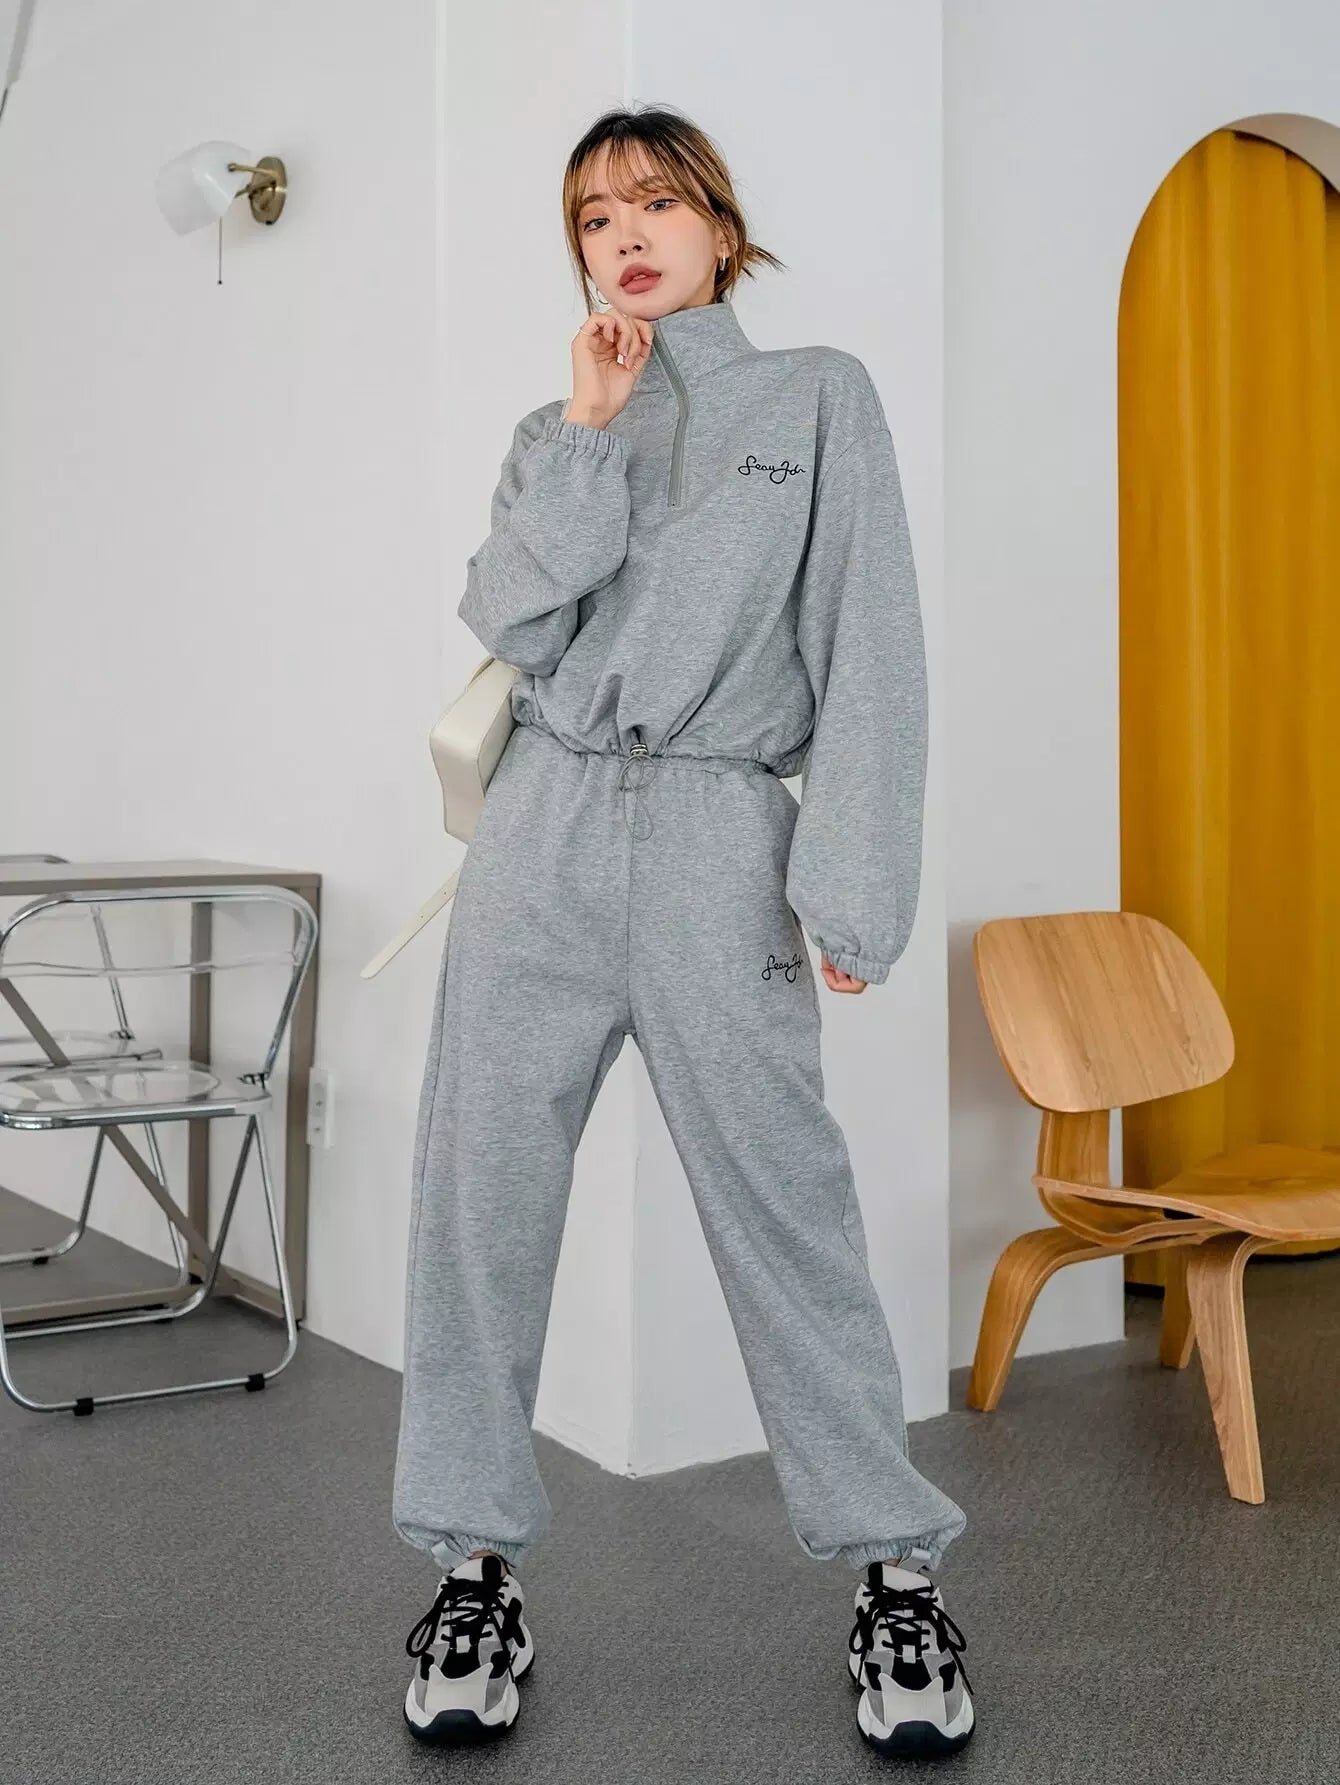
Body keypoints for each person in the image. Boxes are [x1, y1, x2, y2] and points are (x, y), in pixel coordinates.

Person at [392, 104, 974, 1760]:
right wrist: (589, 430)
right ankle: (473, 1569)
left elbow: (873, 645)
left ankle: (897, 1575)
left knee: (788, 1205)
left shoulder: (818, 400)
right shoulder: (554, 423)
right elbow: (511, 616)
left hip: (725, 834)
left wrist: (852, 880)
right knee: (480, 1201)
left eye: (654, 202)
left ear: (721, 225)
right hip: (545, 833)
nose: (625, 235)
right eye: (594, 216)